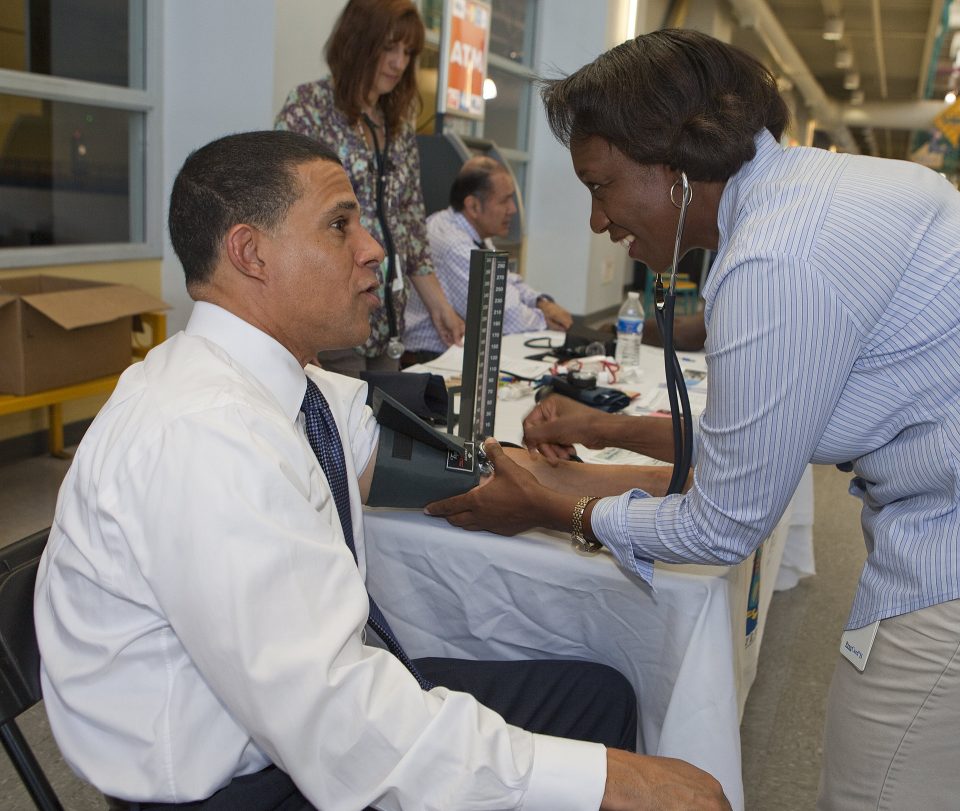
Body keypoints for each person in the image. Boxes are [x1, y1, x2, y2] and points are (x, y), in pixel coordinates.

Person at [33, 130, 728, 811]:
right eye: (341, 226)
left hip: (290, 725)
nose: (374, 251)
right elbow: (340, 726)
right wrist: (605, 781)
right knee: (594, 760)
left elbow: (460, 474)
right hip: (241, 782)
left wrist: (662, 483)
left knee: (598, 698)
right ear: (251, 252)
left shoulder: (292, 386)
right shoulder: (203, 437)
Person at [426, 29, 960, 810]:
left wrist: (558, 503)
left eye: (602, 186)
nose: (600, 220)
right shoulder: (813, 192)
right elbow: (759, 437)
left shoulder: (777, 256)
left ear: (675, 164)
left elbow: (726, 525)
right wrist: (603, 445)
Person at [275, 0, 463, 374]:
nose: (399, 63)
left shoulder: (398, 124)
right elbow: (282, 218)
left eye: (408, 52)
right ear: (358, 42)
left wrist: (440, 305)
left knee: (381, 428)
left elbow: (410, 226)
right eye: (389, 48)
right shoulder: (308, 108)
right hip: (329, 315)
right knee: (338, 425)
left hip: (386, 317)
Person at [403, 156, 573, 360]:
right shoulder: (454, 245)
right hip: (431, 358)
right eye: (504, 200)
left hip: (452, 352)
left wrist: (542, 303)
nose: (513, 209)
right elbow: (503, 317)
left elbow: (508, 281)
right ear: (473, 206)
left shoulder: (468, 231)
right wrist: (546, 320)